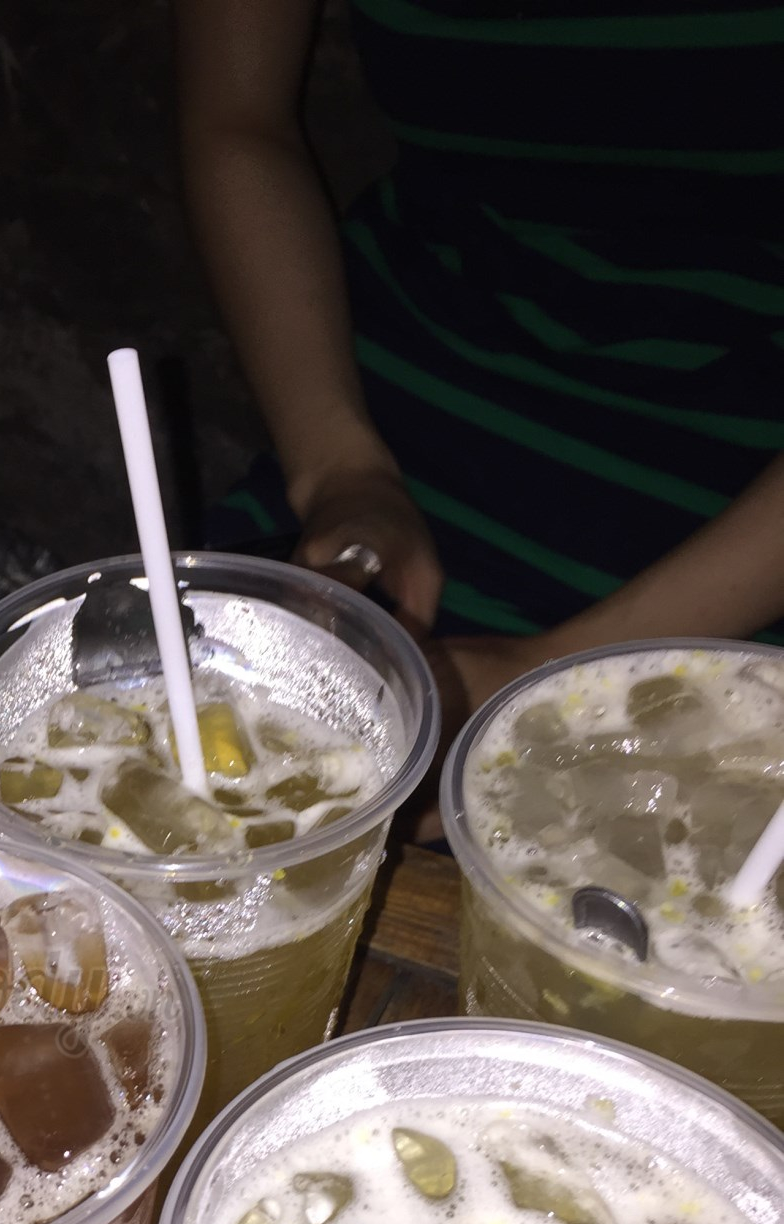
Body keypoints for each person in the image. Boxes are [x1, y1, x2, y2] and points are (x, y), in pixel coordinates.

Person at [177, 0, 784, 737]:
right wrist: (341, 471)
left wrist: (558, 675)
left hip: (749, 489)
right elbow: (240, 121)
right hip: (397, 387)